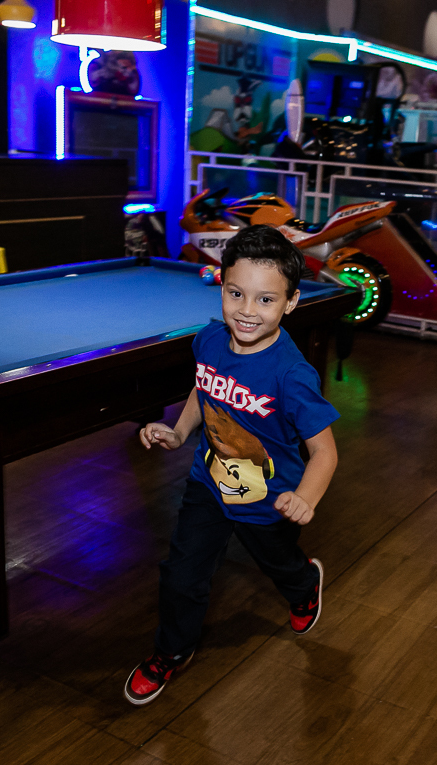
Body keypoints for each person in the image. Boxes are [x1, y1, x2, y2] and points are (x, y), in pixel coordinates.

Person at [125, 225, 340, 705]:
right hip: (208, 484)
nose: (246, 310)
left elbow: (325, 451)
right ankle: (171, 651)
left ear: (291, 302)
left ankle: (305, 584)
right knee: (182, 574)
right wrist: (179, 432)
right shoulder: (209, 340)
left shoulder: (291, 374)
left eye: (266, 300)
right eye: (236, 293)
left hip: (270, 500)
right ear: (221, 286)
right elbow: (204, 388)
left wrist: (305, 498)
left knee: (279, 563)